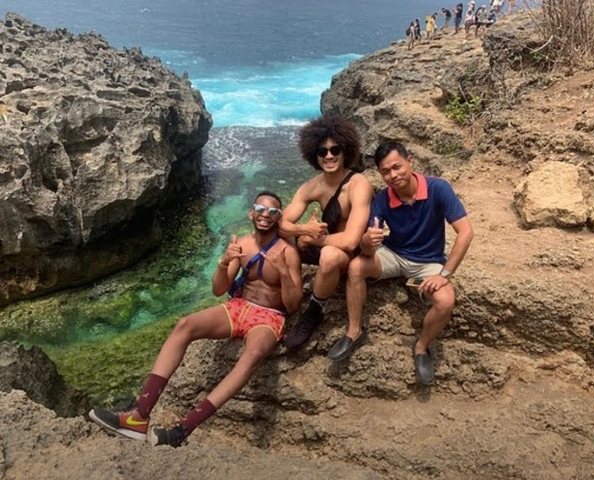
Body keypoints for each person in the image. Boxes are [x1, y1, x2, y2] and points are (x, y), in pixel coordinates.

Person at [89, 191, 303, 447]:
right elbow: (218, 290)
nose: (265, 215)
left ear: (279, 217)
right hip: (238, 307)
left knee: (253, 353)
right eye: (260, 208)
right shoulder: (243, 245)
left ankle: (183, 429)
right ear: (251, 212)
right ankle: (138, 417)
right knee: (184, 325)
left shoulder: (288, 252)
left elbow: (292, 304)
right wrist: (224, 263)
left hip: (269, 316)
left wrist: (284, 274)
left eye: (272, 211)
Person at [341, 142, 474, 384]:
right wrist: (367, 242)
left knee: (445, 301)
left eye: (397, 167)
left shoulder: (438, 188)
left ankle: (422, 347)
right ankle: (354, 331)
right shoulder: (382, 199)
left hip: (429, 260)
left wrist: (444, 274)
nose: (393, 175)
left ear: (410, 161)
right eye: (385, 171)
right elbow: (367, 245)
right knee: (356, 267)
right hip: (394, 253)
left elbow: (465, 232)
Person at [280, 115, 373, 353]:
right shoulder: (312, 186)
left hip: (346, 254)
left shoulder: (358, 184)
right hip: (322, 245)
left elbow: (351, 240)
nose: (329, 156)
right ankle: (280, 298)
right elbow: (281, 223)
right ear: (314, 154)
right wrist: (302, 231)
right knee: (278, 244)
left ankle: (314, 310)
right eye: (323, 151)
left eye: (335, 149)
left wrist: (314, 239)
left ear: (345, 151)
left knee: (330, 254)